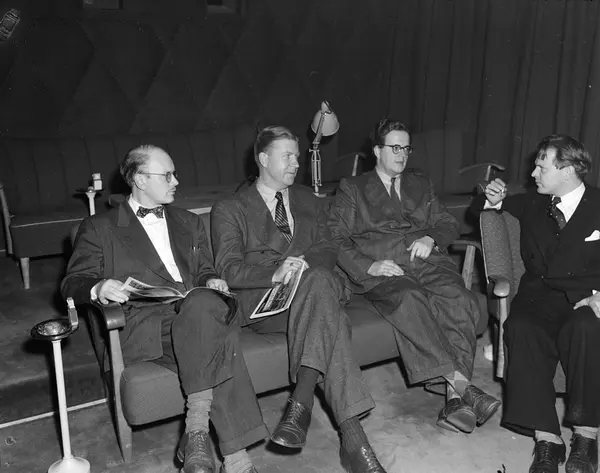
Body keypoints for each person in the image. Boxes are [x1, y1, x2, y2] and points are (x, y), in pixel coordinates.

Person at [62, 145, 268, 473]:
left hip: (196, 312)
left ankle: (196, 431)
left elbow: (203, 270)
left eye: (175, 174)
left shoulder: (189, 221)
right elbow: (72, 282)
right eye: (167, 175)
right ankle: (237, 461)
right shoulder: (100, 227)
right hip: (144, 324)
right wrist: (98, 287)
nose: (176, 181)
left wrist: (211, 278)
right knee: (215, 337)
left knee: (203, 304)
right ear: (140, 179)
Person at [210, 126, 386, 473]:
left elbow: (328, 246)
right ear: (263, 159)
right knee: (331, 318)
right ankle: (352, 439)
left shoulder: (307, 199)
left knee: (318, 282)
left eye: (297, 155)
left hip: (314, 288)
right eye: (287, 156)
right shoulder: (230, 207)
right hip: (267, 304)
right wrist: (274, 273)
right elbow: (228, 268)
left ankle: (301, 405)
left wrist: (303, 265)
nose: (296, 162)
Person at [328, 118, 500, 435]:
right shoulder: (353, 188)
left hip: (427, 262)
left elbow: (448, 223)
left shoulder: (420, 183)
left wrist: (431, 238)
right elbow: (334, 238)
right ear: (376, 150)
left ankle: (454, 401)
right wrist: (368, 266)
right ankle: (461, 385)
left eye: (406, 148)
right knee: (409, 298)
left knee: (459, 298)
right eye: (395, 148)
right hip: (386, 268)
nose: (402, 155)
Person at [482, 134, 599, 473]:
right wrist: (492, 199)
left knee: (587, 328)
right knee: (521, 326)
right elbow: (483, 209)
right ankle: (547, 439)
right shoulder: (532, 202)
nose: (533, 173)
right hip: (540, 295)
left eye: (541, 167)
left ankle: (586, 437)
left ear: (568, 170)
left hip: (589, 297)